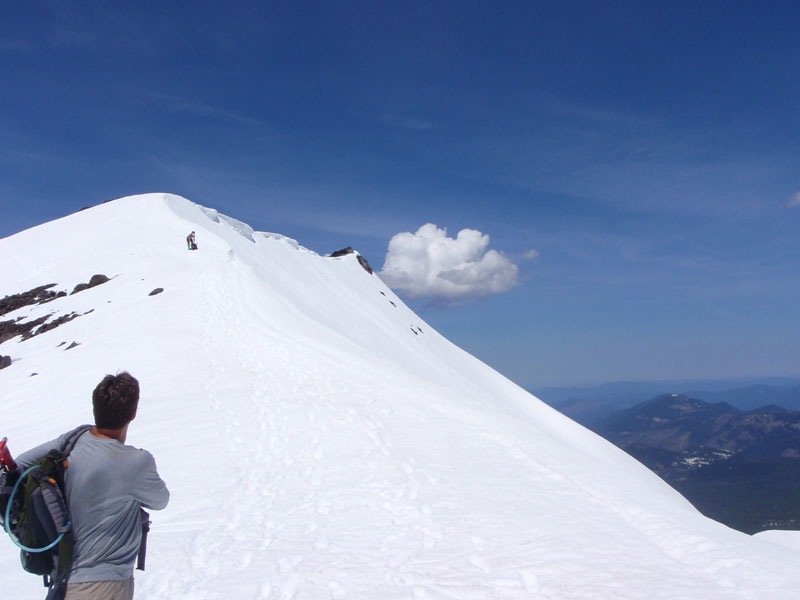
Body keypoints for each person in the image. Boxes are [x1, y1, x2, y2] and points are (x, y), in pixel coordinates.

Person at [15, 372, 169, 600]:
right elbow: (160, 500)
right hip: (106, 586)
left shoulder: (73, 440)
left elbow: (19, 465)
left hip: (64, 580)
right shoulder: (136, 462)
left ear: (95, 409)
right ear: (133, 414)